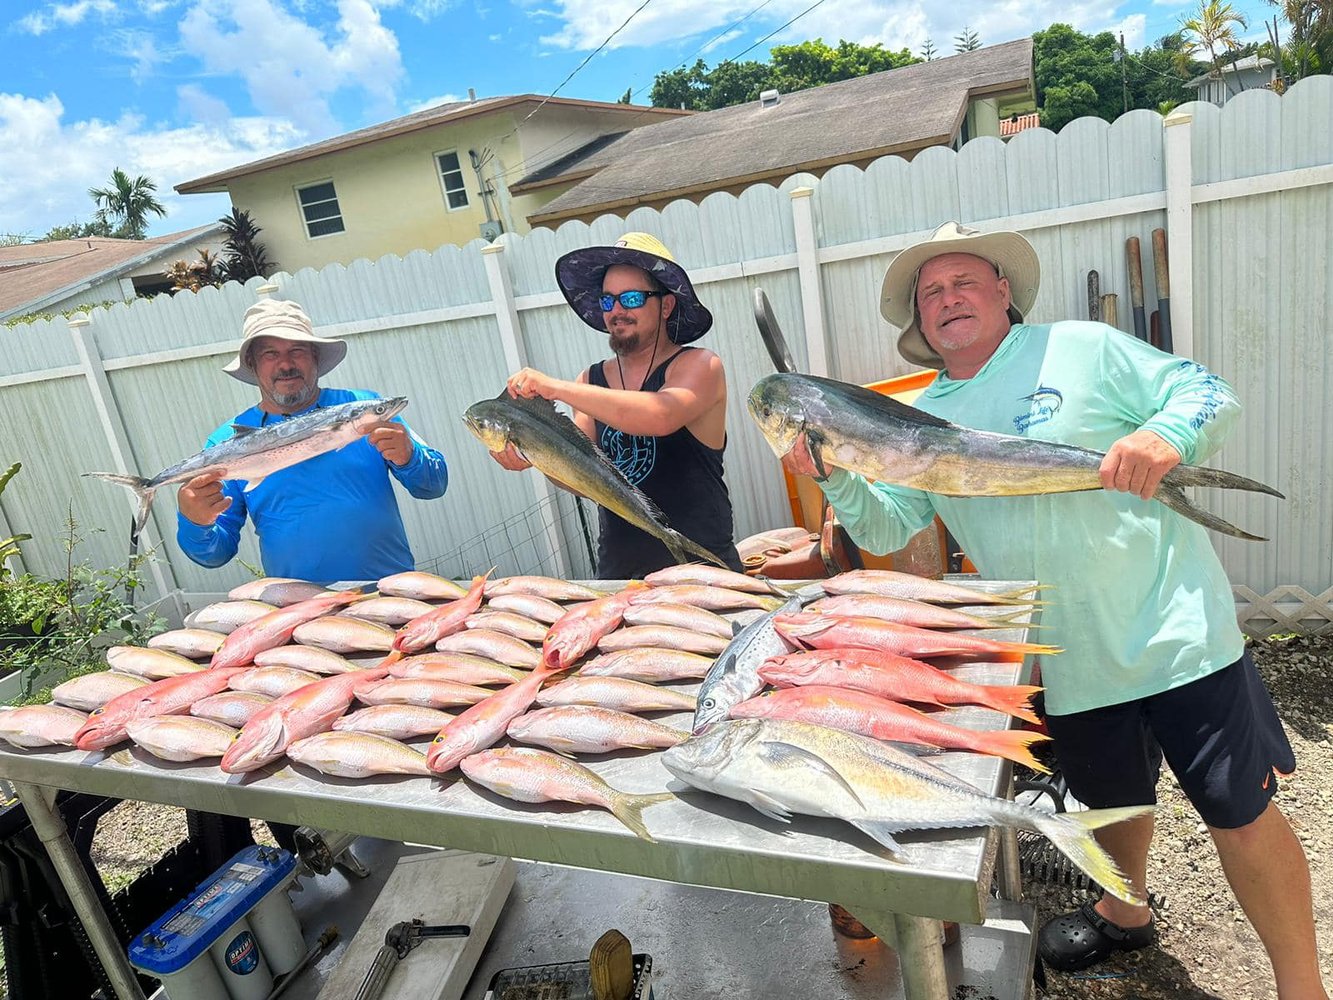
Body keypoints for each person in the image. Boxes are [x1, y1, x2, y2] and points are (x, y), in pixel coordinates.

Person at [782, 222, 1326, 998]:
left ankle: (1301, 988)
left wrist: (1164, 434)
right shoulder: (915, 418)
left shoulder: (1084, 348)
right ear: (919, 323)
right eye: (929, 293)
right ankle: (1124, 910)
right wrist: (834, 474)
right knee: (1109, 803)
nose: (946, 299)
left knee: (1239, 812)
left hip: (1176, 633)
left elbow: (1204, 391)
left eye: (962, 281)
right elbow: (885, 525)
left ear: (1003, 291)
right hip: (1064, 651)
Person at [491, 232, 742, 579]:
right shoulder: (590, 381)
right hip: (620, 581)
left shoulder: (700, 365)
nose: (617, 311)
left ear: (665, 305)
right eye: (608, 301)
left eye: (632, 298)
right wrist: (528, 450)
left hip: (702, 576)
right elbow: (577, 474)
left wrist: (556, 388)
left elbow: (661, 414)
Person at [176, 298, 448, 584]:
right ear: (252, 364)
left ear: (315, 357)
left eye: (297, 350)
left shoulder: (366, 408)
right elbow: (215, 555)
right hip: (298, 609)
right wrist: (195, 522)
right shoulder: (227, 443)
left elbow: (433, 485)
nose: (285, 364)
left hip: (387, 592)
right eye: (270, 353)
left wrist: (410, 458)